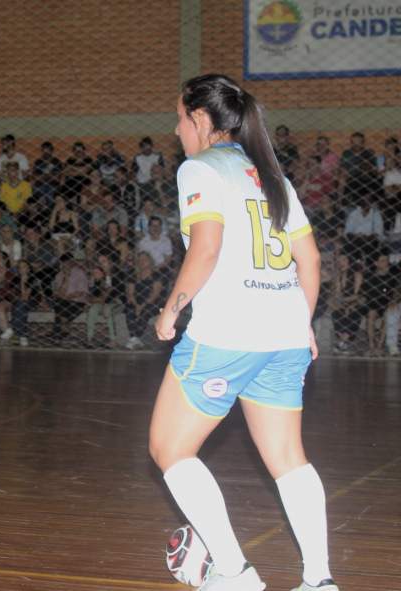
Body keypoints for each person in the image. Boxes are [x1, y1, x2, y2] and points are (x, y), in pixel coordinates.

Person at [149, 75, 337, 591]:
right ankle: (319, 581)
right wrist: (302, 321)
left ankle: (233, 573)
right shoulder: (271, 174)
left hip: (227, 333)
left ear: (202, 121)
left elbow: (205, 249)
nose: (176, 128)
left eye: (181, 117)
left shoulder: (200, 169)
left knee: (170, 449)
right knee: (289, 461)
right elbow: (311, 259)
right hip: (283, 333)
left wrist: (171, 311)